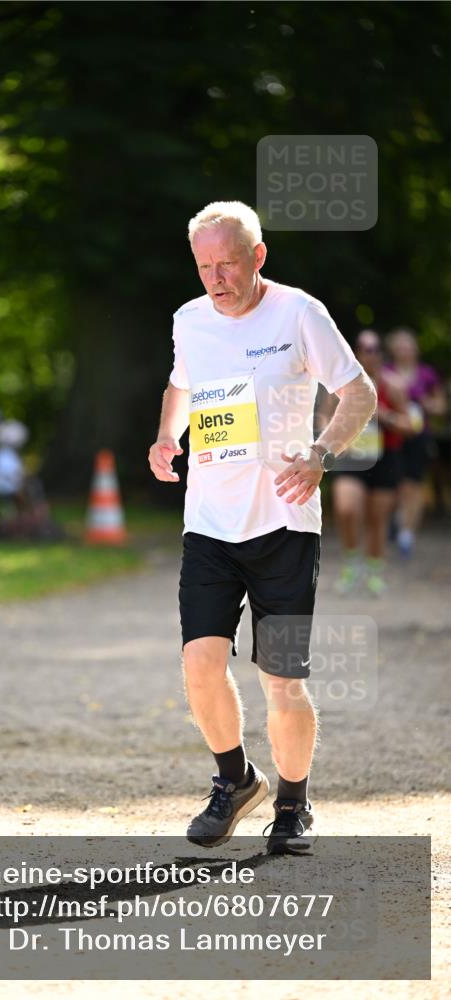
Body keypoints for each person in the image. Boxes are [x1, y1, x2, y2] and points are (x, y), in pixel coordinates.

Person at [147, 202, 376, 854]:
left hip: (282, 519)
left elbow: (357, 393)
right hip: (210, 522)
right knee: (199, 665)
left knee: (280, 681)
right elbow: (180, 386)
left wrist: (320, 454)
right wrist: (167, 436)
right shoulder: (189, 320)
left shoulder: (298, 312)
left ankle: (292, 803)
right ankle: (233, 781)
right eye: (203, 267)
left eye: (226, 264)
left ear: (258, 257)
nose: (215, 278)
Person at [322, 330, 412, 597]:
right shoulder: (341, 385)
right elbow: (323, 419)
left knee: (377, 518)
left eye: (374, 349)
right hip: (350, 459)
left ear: (381, 353)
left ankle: (374, 570)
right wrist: (334, 439)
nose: (369, 354)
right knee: (347, 508)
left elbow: (411, 424)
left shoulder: (392, 386)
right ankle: (352, 564)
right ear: (357, 352)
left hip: (384, 459)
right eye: (364, 348)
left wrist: (385, 417)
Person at [385, 327, 447, 557]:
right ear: (393, 349)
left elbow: (441, 406)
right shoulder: (386, 371)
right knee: (397, 485)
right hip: (391, 435)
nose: (404, 350)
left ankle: (407, 534)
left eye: (407, 345)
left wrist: (428, 405)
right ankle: (397, 521)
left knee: (415, 483)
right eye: (399, 345)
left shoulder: (427, 374)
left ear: (415, 348)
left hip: (420, 436)